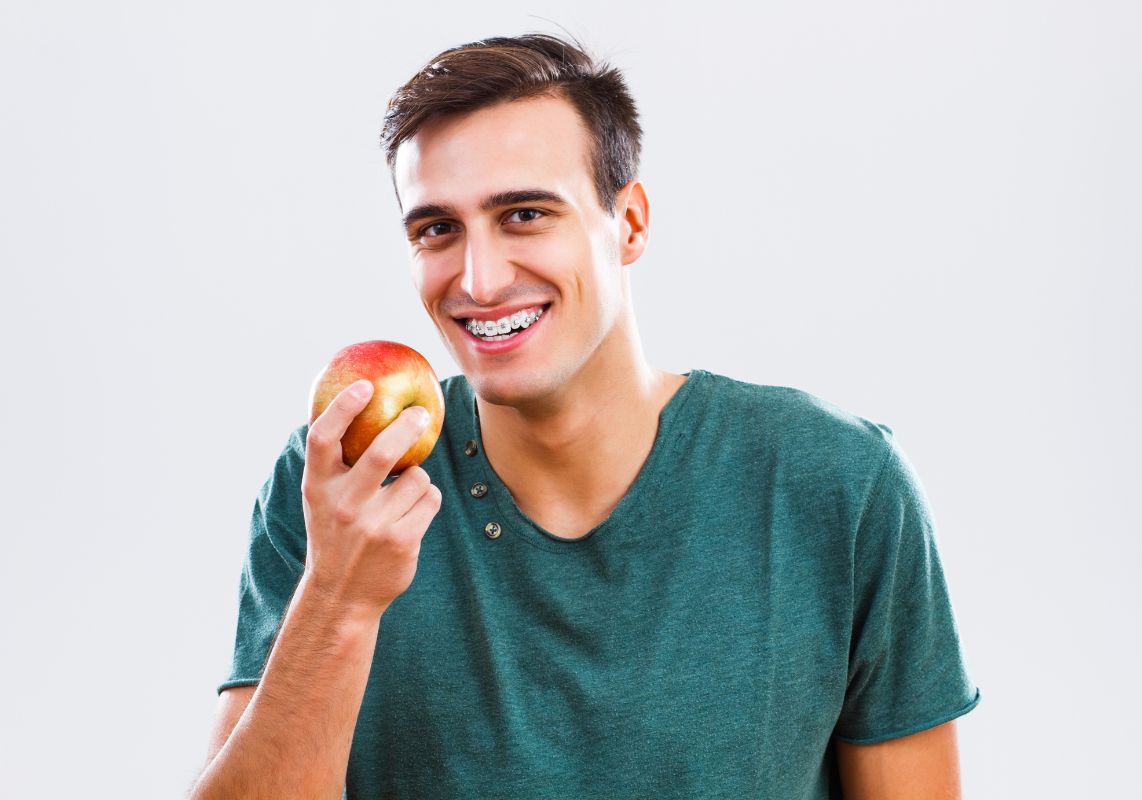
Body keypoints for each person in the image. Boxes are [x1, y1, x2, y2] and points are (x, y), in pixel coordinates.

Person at [190, 33, 980, 799]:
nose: (481, 279)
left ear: (629, 223)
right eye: (438, 229)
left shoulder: (835, 481)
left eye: (525, 214)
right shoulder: (338, 484)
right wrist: (339, 599)